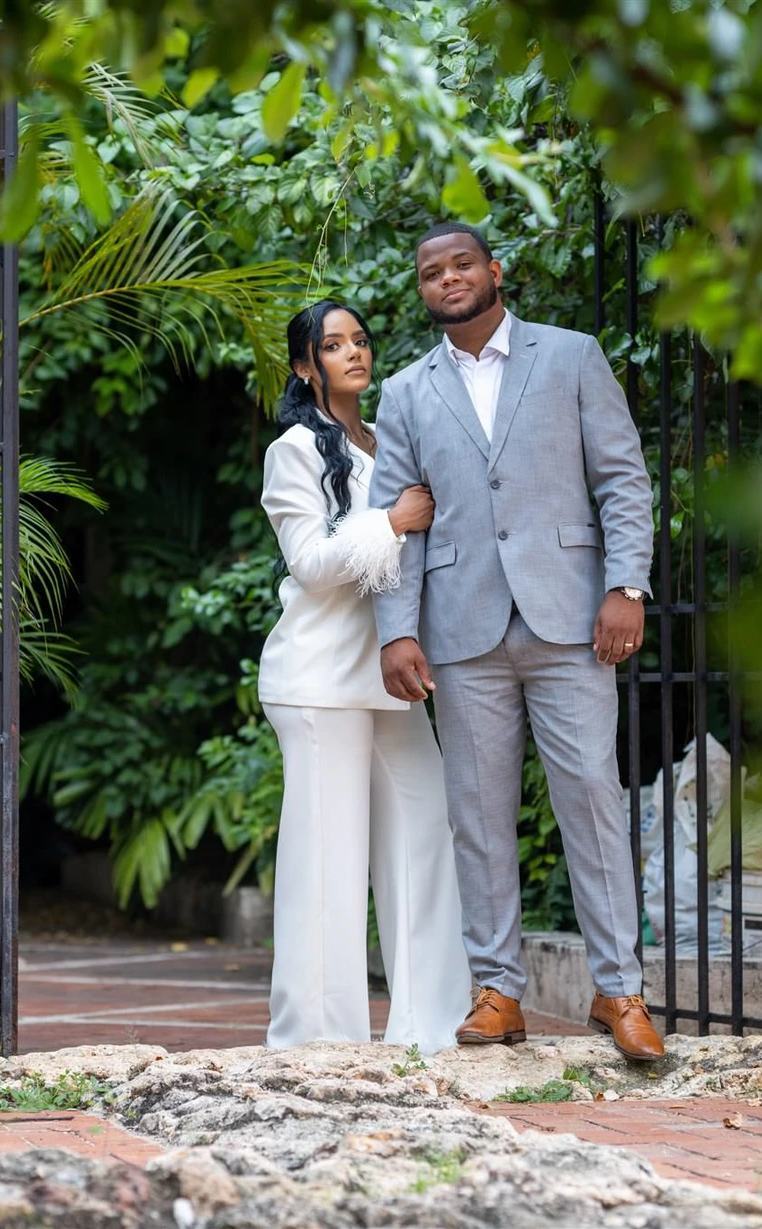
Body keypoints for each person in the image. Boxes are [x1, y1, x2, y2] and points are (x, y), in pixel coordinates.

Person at [368, 222, 665, 1059]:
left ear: (493, 271)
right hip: (461, 631)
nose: (448, 278)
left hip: (571, 619)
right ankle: (498, 990)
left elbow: (621, 479)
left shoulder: (569, 356)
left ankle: (619, 992)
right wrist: (397, 631)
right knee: (479, 816)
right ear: (422, 288)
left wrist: (624, 586)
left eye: (461, 263)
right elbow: (401, 524)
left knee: (592, 803)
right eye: (431, 271)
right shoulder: (406, 392)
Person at [257, 298, 472, 1054]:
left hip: (390, 671)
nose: (354, 353)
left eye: (360, 340)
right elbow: (311, 565)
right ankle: (319, 1042)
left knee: (424, 836)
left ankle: (433, 1027)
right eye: (333, 344)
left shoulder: (385, 440)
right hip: (318, 678)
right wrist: (392, 520)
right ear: (302, 365)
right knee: (327, 862)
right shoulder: (294, 449)